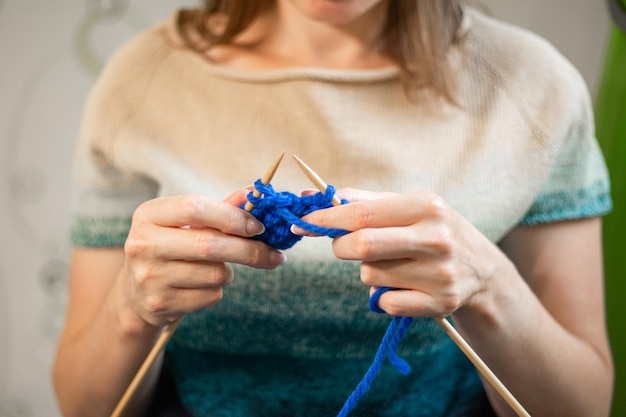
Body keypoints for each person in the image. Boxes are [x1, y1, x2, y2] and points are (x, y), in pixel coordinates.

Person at [52, 0, 615, 416]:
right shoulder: (140, 83)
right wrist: (135, 307)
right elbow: (86, 407)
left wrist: (487, 284)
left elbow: (583, 407)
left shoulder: (534, 88)